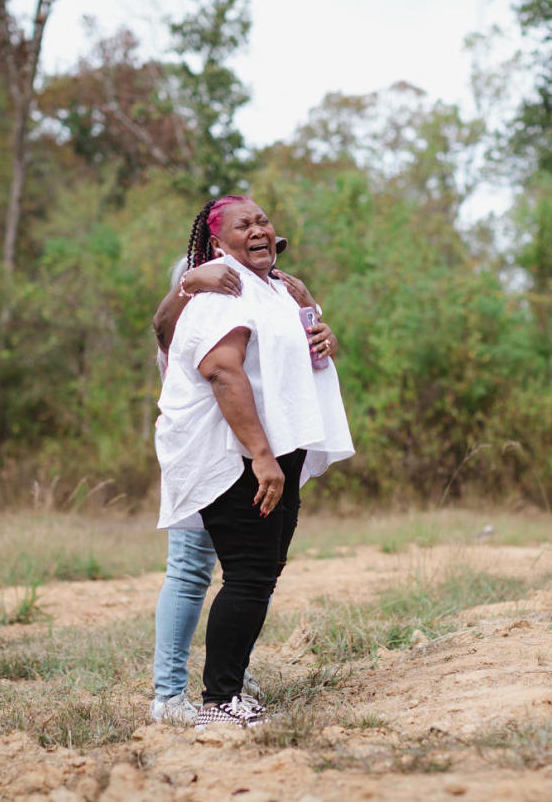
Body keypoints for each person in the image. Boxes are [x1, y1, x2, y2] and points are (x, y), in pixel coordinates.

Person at [154, 195, 353, 729]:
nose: (260, 228)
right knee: (226, 574)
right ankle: (209, 701)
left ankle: (229, 689)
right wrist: (262, 457)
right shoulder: (220, 287)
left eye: (263, 219)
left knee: (258, 575)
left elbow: (298, 353)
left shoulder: (274, 289)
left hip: (275, 449)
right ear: (218, 243)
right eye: (244, 224)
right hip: (235, 452)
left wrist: (325, 336)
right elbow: (223, 371)